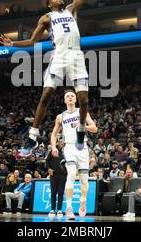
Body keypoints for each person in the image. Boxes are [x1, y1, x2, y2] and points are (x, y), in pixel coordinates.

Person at [0, 0, 89, 158]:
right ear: (49, 4)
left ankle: (81, 130)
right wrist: (13, 44)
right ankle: (33, 136)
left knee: (84, 101)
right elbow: (33, 41)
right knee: (46, 94)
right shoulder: (47, 18)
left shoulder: (71, 9)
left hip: (77, 55)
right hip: (59, 55)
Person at [50, 89, 98, 220]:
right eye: (67, 96)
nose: (70, 97)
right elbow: (54, 134)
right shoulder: (61, 117)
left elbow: (94, 128)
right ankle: (69, 207)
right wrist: (54, 147)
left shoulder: (82, 112)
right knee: (71, 174)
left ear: (76, 99)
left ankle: (83, 200)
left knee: (84, 181)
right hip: (69, 146)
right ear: (65, 100)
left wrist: (82, 125)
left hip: (82, 147)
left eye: (72, 95)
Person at [46, 141, 67, 218]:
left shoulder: (66, 152)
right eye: (60, 142)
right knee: (53, 193)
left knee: (61, 193)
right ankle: (52, 210)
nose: (61, 144)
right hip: (53, 175)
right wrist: (49, 169)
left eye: (62, 143)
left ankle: (59, 210)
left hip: (63, 176)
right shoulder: (53, 151)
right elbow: (47, 161)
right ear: (57, 143)